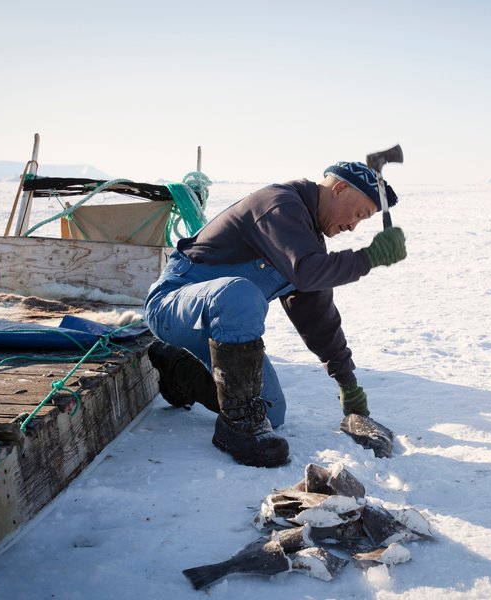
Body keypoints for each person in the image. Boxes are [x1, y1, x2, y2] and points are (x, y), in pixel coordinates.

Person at [144, 161, 406, 468]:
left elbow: (318, 320)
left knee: (270, 411)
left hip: (222, 333)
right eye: (359, 214)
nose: (353, 226)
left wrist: (347, 384)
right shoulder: (279, 205)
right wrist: (369, 257)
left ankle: (179, 371)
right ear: (340, 188)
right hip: (173, 307)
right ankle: (238, 429)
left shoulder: (307, 244)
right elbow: (308, 273)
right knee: (239, 292)